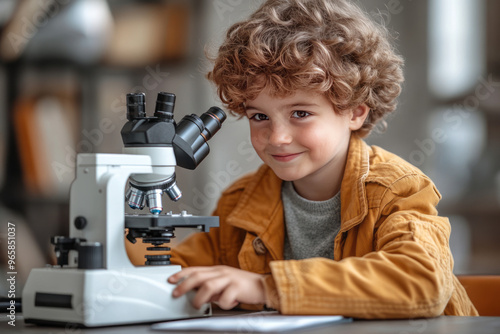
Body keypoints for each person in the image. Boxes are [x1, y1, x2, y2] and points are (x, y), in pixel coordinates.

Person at [165, 0, 478, 318]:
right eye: (259, 116)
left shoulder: (398, 190)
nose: (277, 137)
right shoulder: (239, 203)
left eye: (300, 113)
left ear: (355, 111)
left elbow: (421, 282)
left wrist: (267, 287)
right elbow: (176, 273)